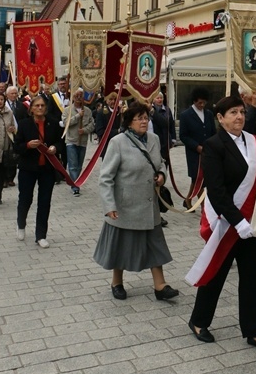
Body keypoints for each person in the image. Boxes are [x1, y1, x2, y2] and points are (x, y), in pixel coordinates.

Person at [187, 96, 256, 352]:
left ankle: (254, 331)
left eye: (241, 112)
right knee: (216, 274)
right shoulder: (213, 146)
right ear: (220, 118)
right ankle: (198, 321)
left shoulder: (254, 142)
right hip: (228, 223)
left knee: (251, 279)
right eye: (232, 113)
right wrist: (238, 222)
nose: (239, 117)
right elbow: (216, 191)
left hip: (251, 224)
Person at [93, 102, 178, 302]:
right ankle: (117, 282)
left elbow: (161, 163)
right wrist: (109, 205)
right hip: (125, 205)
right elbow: (105, 178)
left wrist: (161, 175)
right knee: (120, 245)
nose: (144, 121)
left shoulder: (154, 139)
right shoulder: (118, 142)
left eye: (146, 117)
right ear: (129, 121)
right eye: (139, 118)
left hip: (149, 204)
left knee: (155, 245)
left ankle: (160, 286)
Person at [13, 95, 61, 247]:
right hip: (28, 168)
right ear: (31, 108)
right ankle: (21, 224)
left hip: (47, 168)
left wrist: (55, 148)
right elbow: (17, 147)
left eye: (42, 106)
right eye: (37, 106)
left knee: (44, 201)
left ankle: (41, 235)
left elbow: (60, 141)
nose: (40, 108)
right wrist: (27, 145)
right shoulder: (24, 124)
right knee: (25, 198)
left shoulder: (52, 123)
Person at [179, 87, 216, 209]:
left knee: (201, 179)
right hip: (194, 152)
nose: (202, 105)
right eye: (199, 102)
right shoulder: (186, 115)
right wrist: (196, 146)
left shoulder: (209, 114)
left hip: (208, 151)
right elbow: (183, 136)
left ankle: (188, 199)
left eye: (204, 102)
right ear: (194, 101)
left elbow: (212, 132)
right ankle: (204, 205)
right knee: (197, 177)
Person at [64, 89, 94, 196]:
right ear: (72, 97)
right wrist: (77, 116)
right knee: (72, 165)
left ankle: (77, 181)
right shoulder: (67, 110)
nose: (78, 97)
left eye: (80, 95)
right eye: (76, 95)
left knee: (79, 165)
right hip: (71, 141)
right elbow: (65, 123)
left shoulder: (88, 111)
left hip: (83, 141)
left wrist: (84, 130)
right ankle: (75, 186)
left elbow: (92, 125)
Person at [95, 92, 122, 159]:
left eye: (115, 99)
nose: (113, 101)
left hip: (121, 147)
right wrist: (117, 131)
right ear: (106, 100)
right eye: (111, 99)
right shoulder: (101, 113)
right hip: (107, 147)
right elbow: (100, 131)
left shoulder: (122, 112)